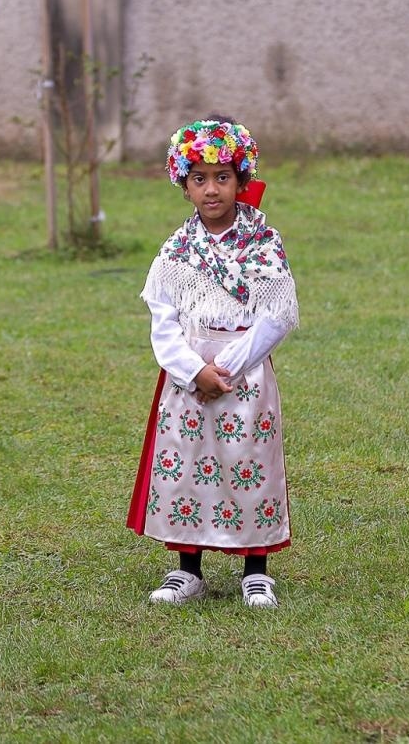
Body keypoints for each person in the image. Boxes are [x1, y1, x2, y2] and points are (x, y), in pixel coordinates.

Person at [125, 118, 298, 608]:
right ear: (184, 185)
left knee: (247, 463)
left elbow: (276, 315)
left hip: (243, 376)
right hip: (186, 379)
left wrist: (226, 367)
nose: (211, 189)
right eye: (199, 178)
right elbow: (163, 320)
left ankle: (255, 570)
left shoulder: (263, 243)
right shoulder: (176, 252)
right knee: (188, 464)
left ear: (242, 180)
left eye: (222, 177)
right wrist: (191, 370)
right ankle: (187, 569)